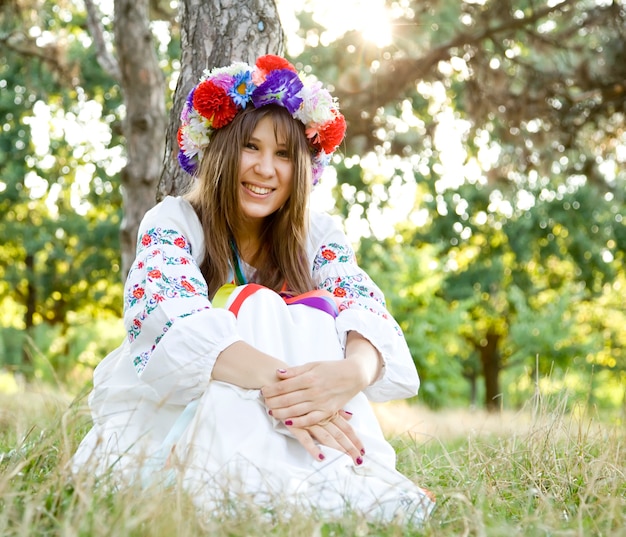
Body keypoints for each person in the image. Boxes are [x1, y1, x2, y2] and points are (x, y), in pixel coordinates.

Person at [71, 54, 435, 524]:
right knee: (257, 306)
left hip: (300, 405)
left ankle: (323, 476)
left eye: (284, 154)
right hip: (198, 404)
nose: (266, 168)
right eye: (251, 147)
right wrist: (296, 392)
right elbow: (169, 322)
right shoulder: (175, 222)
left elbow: (361, 303)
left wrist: (351, 375)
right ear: (221, 149)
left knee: (314, 317)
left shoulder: (316, 233)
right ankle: (258, 481)